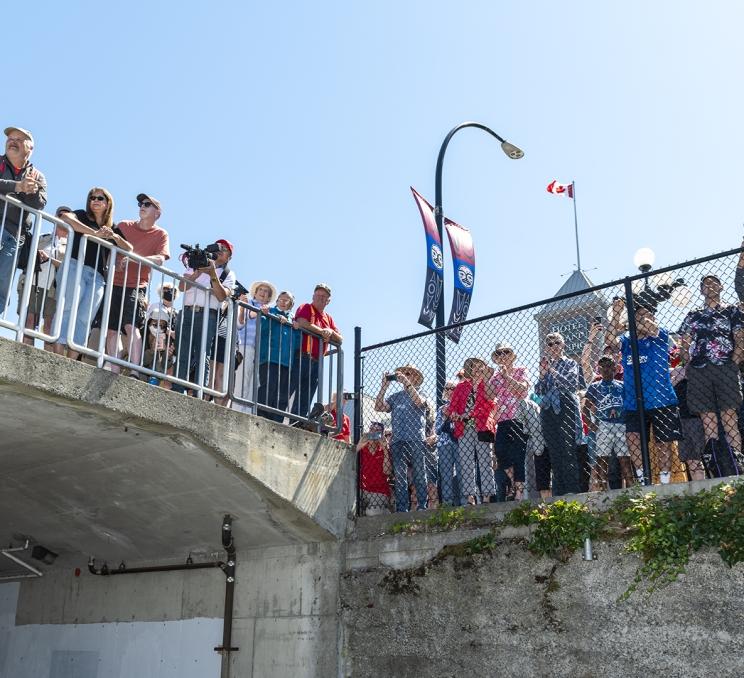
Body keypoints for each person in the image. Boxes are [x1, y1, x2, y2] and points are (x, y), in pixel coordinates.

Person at [607, 300, 681, 484]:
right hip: (633, 401)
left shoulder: (660, 336)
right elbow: (609, 340)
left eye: (646, 315)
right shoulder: (627, 341)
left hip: (661, 399)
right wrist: (616, 313)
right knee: (632, 438)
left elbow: (652, 328)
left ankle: (664, 480)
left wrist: (630, 322)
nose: (642, 319)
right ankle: (642, 477)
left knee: (662, 443)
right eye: (638, 316)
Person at [53, 188, 132, 359]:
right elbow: (66, 218)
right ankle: (57, 357)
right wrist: (94, 234)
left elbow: (129, 248)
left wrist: (114, 237)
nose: (95, 200)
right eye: (92, 198)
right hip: (75, 267)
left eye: (100, 198)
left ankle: (71, 361)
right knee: (67, 309)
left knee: (84, 318)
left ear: (107, 203)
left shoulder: (112, 228)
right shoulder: (82, 215)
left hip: (97, 277)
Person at [678, 274, 744, 477]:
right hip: (699, 369)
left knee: (729, 416)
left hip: (725, 366)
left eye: (714, 282)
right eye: (705, 283)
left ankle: (738, 462)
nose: (710, 286)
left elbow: (740, 336)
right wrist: (687, 363)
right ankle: (715, 464)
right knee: (708, 419)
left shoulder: (732, 311)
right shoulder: (693, 314)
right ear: (701, 290)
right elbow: (685, 342)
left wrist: (733, 362)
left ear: (722, 287)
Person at [105, 194, 170, 378]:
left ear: (157, 213)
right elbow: (109, 249)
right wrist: (112, 264)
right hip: (113, 283)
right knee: (111, 330)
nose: (142, 206)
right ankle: (114, 370)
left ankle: (134, 371)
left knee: (130, 326)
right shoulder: (124, 225)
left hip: (136, 286)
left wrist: (134, 258)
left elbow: (160, 260)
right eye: (141, 203)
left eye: (148, 204)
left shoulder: (161, 234)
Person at [171, 239, 235, 394]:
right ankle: (178, 390)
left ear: (229, 257)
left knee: (202, 354)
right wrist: (197, 272)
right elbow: (181, 287)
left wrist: (212, 273)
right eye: (218, 247)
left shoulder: (228, 274)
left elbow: (221, 296)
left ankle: (199, 392)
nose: (220, 250)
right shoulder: (195, 264)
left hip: (209, 315)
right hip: (187, 311)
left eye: (224, 249)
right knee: (182, 353)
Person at [0, 126, 47, 313]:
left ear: (30, 148)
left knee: (3, 285)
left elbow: (39, 205)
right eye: (11, 138)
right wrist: (18, 186)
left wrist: (31, 190)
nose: (13, 141)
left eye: (20, 139)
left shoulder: (38, 176)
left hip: (15, 236)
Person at [534, 332, 585, 496]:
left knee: (568, 448)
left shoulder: (571, 363)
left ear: (563, 344)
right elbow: (538, 390)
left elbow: (571, 383)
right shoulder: (545, 367)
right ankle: (559, 491)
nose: (554, 346)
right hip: (548, 409)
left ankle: (571, 489)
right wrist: (542, 375)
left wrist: (552, 371)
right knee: (554, 451)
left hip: (566, 405)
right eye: (550, 344)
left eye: (557, 342)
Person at [374, 364, 430, 512]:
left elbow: (419, 402)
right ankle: (402, 509)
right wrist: (384, 386)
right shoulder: (396, 396)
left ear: (416, 378)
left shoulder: (421, 392)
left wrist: (407, 383)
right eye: (403, 373)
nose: (404, 375)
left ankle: (422, 506)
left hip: (416, 439)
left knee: (419, 474)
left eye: (408, 373)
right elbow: (378, 407)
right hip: (398, 440)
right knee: (400, 477)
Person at [447, 357, 497, 505]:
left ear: (484, 368)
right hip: (464, 429)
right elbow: (452, 407)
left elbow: (490, 403)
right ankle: (470, 497)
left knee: (485, 461)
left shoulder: (487, 384)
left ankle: (487, 496)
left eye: (479, 366)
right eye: (473, 366)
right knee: (466, 463)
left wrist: (470, 414)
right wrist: (454, 414)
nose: (476, 368)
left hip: (482, 427)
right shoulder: (461, 386)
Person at [290, 284, 342, 418]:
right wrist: (322, 332)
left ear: (328, 301)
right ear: (313, 296)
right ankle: (276, 418)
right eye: (318, 295)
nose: (320, 298)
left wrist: (330, 331)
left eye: (324, 296)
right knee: (288, 389)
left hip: (317, 362)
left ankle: (298, 421)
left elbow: (340, 340)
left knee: (306, 396)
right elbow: (302, 322)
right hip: (301, 357)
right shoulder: (306, 307)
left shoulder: (328, 318)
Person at [583, 356, 634, 490]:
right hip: (603, 425)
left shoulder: (622, 385)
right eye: (603, 366)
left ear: (615, 368)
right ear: (599, 369)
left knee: (624, 459)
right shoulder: (595, 387)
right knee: (602, 459)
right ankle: (603, 490)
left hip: (620, 424)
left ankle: (632, 489)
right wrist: (591, 424)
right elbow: (585, 408)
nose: (606, 369)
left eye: (609, 366)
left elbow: (630, 404)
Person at [488, 342, 530, 501]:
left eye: (505, 352)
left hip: (519, 418)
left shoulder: (521, 370)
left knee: (518, 456)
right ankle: (514, 482)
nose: (502, 355)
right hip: (502, 420)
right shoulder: (495, 378)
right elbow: (489, 395)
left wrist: (507, 377)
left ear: (511, 355)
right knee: (500, 452)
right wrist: (487, 378)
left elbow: (523, 389)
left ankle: (519, 493)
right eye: (499, 353)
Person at [16, 221, 67, 349]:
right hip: (33, 282)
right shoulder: (42, 238)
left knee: (49, 325)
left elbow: (69, 268)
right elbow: (27, 255)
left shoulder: (71, 246)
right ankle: (24, 353)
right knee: (30, 320)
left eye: (67, 216)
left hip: (54, 289)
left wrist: (50, 259)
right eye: (60, 215)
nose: (64, 219)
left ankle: (47, 359)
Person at [232, 280, 276, 413]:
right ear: (255, 293)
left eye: (266, 291)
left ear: (269, 297)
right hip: (246, 346)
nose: (263, 293)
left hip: (261, 353)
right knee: (242, 382)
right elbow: (241, 322)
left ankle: (247, 414)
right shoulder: (249, 304)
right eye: (260, 290)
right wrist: (254, 311)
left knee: (254, 385)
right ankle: (237, 412)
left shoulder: (271, 312)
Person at [257, 290, 297, 421]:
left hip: (286, 362)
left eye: (287, 300)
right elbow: (261, 330)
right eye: (281, 299)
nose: (284, 302)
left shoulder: (293, 320)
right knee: (268, 387)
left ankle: (277, 421)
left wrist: (296, 328)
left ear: (291, 304)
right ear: (277, 300)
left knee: (282, 393)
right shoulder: (269, 312)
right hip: (269, 358)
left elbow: (297, 343)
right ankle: (261, 417)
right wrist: (270, 318)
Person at [356, 422, 392, 516]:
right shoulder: (362, 449)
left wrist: (385, 449)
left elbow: (387, 471)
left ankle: (385, 511)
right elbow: (347, 462)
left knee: (371, 512)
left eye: (377, 431)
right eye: (371, 430)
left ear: (382, 435)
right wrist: (359, 446)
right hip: (362, 489)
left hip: (379, 491)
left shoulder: (384, 450)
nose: (373, 433)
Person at [434, 380, 459, 505]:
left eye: (452, 388)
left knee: (462, 472)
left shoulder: (461, 405)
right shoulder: (441, 409)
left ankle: (465, 501)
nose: (449, 391)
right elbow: (437, 430)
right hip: (444, 444)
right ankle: (447, 504)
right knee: (446, 476)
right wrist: (444, 417)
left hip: (460, 442)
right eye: (447, 389)